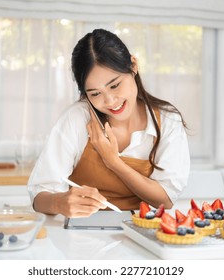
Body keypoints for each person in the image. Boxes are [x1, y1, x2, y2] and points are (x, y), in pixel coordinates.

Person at [28, 28, 190, 217]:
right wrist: (58, 203)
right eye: (95, 93)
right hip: (81, 237)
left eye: (115, 85)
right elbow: (39, 195)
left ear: (133, 66)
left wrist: (113, 161)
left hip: (140, 231)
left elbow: (165, 200)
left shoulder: (168, 121)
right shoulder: (77, 119)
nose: (110, 100)